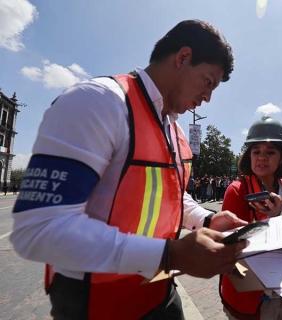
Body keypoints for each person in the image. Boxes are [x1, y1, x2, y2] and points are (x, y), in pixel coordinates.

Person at [10, 20, 250, 320]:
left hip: (158, 288)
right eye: (208, 81)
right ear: (183, 57)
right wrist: (170, 254)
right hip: (97, 300)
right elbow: (38, 230)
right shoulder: (99, 101)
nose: (208, 97)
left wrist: (208, 219)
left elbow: (172, 196)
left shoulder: (174, 131)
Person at [219, 116, 282, 320]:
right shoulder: (237, 190)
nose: (261, 157)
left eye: (270, 152)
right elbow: (235, 242)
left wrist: (280, 217)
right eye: (256, 152)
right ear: (249, 156)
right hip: (251, 294)